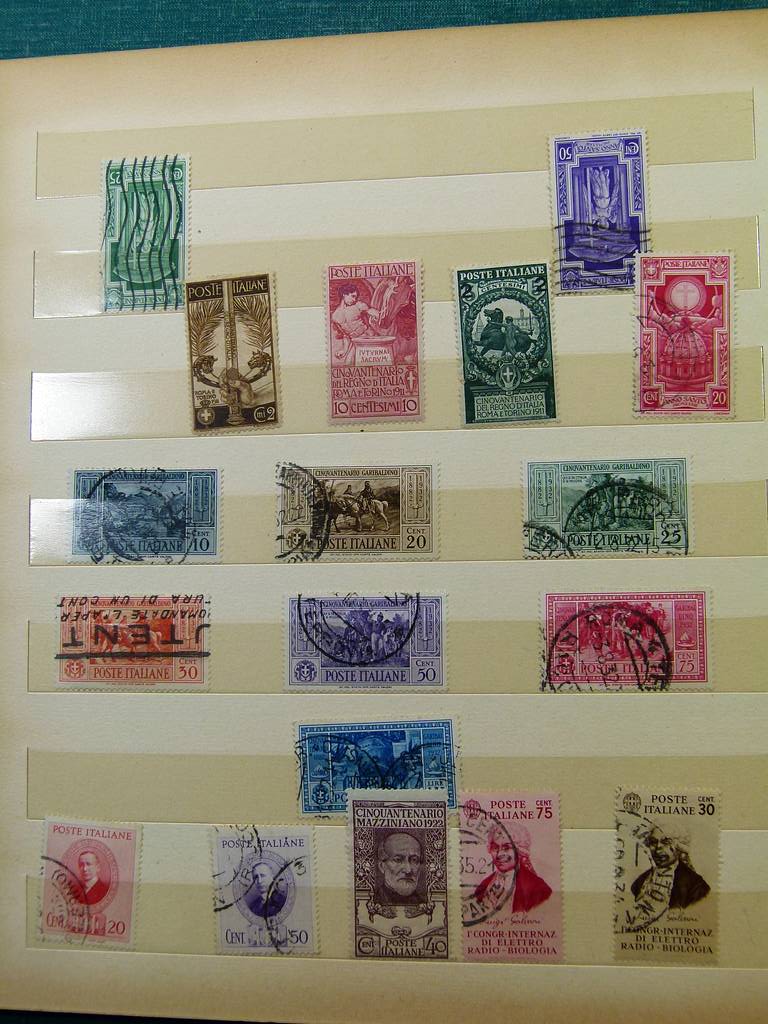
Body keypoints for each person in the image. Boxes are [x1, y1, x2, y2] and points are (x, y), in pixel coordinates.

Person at [473, 824, 552, 914]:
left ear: (520, 851)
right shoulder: (484, 886)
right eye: (495, 848)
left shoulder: (539, 888)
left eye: (507, 848)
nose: (499, 854)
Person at [631, 823, 710, 910]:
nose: (658, 848)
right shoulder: (639, 882)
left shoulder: (696, 886)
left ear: (679, 848)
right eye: (653, 842)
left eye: (666, 842)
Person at [331, 282, 381, 362]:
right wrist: (344, 351)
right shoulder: (335, 316)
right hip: (355, 341)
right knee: (349, 362)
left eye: (356, 297)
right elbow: (346, 336)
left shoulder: (358, 305)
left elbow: (375, 313)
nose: (354, 299)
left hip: (369, 337)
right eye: (353, 296)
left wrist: (377, 315)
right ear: (344, 295)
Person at [374, 832, 425, 905]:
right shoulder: (373, 901)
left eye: (414, 860)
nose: (408, 870)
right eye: (398, 860)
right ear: (382, 866)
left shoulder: (423, 903)